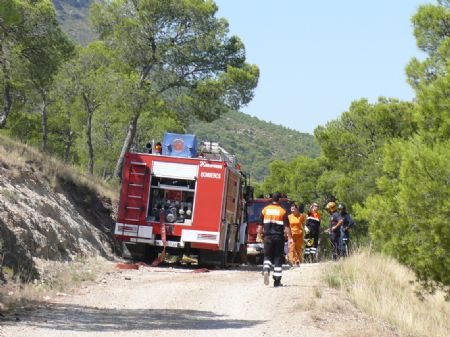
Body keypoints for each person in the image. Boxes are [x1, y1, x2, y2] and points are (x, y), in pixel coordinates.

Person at [257, 192, 293, 287]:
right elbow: (286, 227)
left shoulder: (265, 210)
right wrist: (290, 238)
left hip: (267, 237)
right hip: (278, 238)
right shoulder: (283, 211)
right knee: (277, 257)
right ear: (279, 199)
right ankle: (277, 281)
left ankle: (266, 270)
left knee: (267, 256)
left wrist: (259, 235)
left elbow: (260, 225)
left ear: (271, 199)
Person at [287, 203, 305, 267]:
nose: (292, 210)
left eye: (294, 209)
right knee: (291, 248)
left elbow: (303, 224)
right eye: (291, 209)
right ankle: (292, 261)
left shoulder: (301, 216)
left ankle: (298, 261)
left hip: (299, 234)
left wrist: (305, 230)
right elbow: (287, 226)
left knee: (298, 249)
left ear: (297, 209)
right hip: (291, 234)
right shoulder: (289, 217)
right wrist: (287, 234)